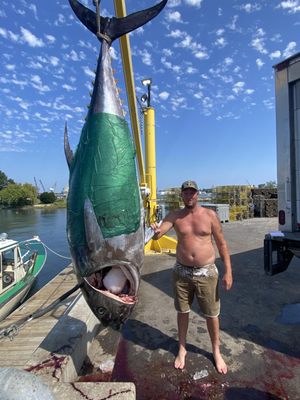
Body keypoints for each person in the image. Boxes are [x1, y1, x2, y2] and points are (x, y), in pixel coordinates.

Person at [151, 180, 233, 374]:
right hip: (182, 272)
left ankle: (216, 351)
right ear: (182, 195)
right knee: (182, 312)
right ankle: (182, 348)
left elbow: (222, 245)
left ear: (198, 194)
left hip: (207, 272)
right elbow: (159, 233)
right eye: (186, 193)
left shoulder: (210, 216)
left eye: (192, 193)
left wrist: (228, 271)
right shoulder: (175, 216)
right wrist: (155, 233)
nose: (189, 196)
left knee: (212, 314)